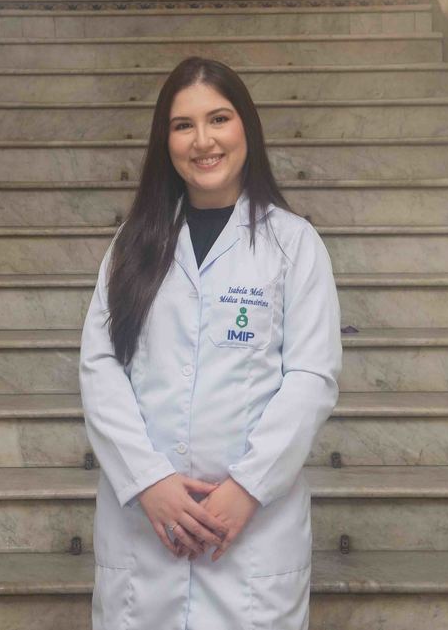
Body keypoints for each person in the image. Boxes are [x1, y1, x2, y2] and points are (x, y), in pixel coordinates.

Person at [79, 57, 342, 629]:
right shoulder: (131, 246)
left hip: (253, 534)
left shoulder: (294, 244)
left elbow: (311, 378)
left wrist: (247, 488)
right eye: (183, 125)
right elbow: (100, 369)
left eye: (218, 119)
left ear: (246, 126)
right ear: (165, 140)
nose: (203, 141)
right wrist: (149, 481)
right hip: (145, 529)